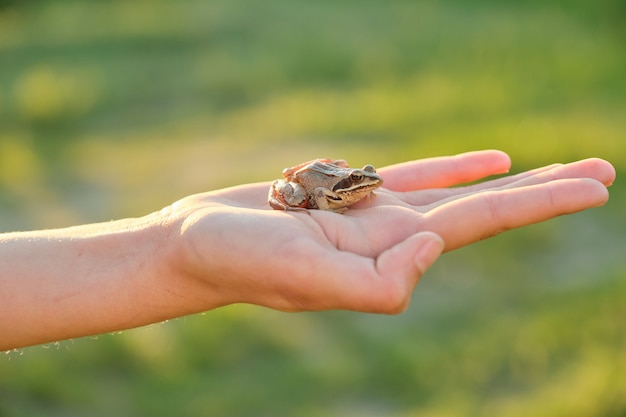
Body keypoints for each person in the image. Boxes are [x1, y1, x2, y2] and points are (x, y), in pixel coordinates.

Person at [0, 150, 616, 350]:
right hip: (303, 186)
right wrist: (173, 247)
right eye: (361, 185)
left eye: (366, 180)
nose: (369, 188)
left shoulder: (362, 187)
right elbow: (321, 191)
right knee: (294, 190)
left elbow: (363, 183)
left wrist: (168, 249)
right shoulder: (337, 194)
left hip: (317, 173)